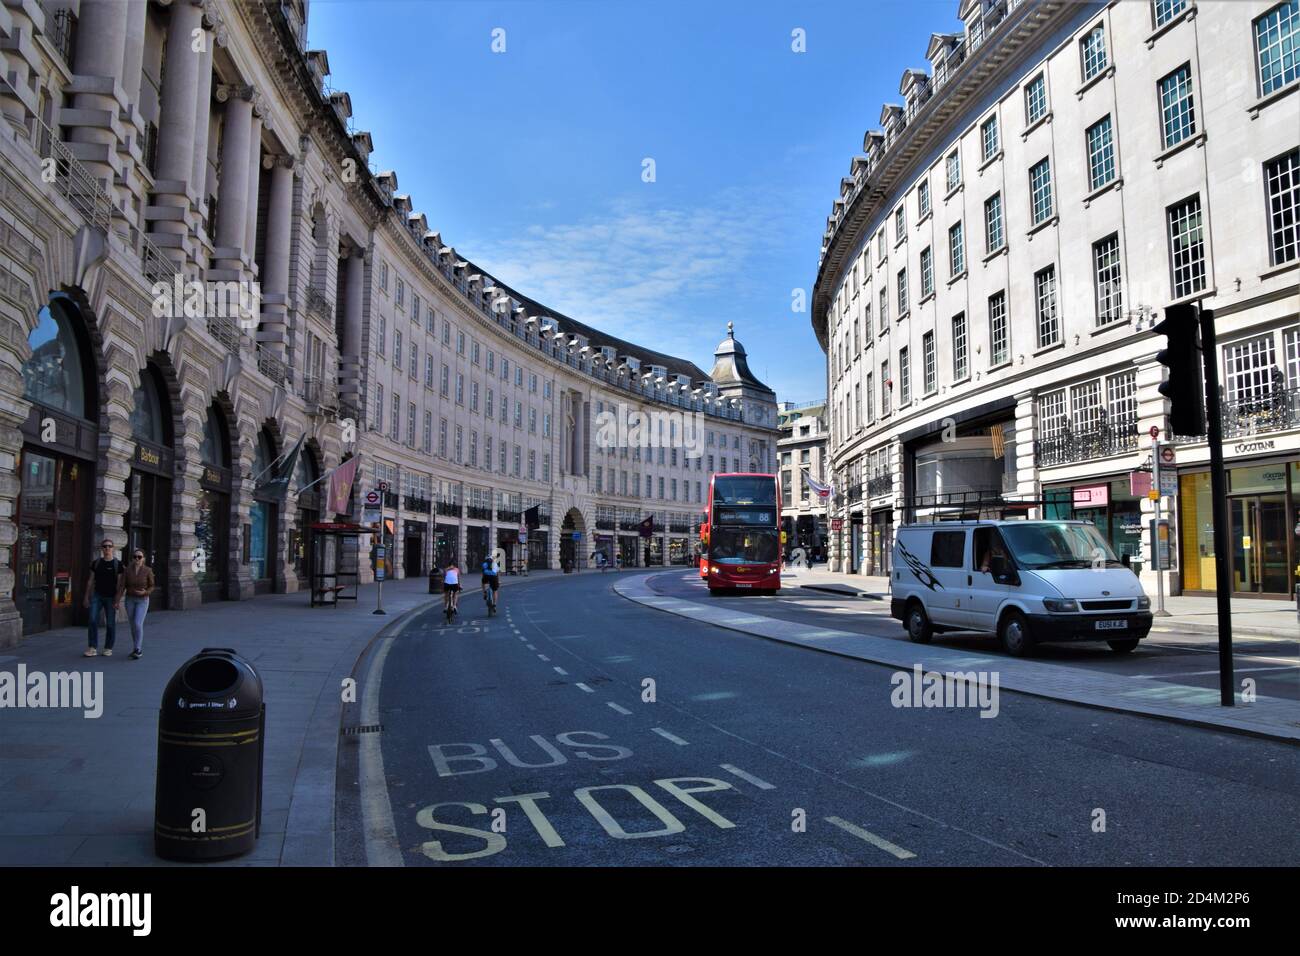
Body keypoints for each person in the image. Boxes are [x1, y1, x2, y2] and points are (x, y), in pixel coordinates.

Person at [83, 539, 125, 657]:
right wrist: (86, 597)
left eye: (109, 546)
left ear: (113, 548)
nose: (107, 549)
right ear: (101, 548)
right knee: (92, 619)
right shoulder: (96, 563)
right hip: (97, 595)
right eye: (105, 546)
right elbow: (90, 580)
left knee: (110, 623)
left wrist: (118, 600)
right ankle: (92, 647)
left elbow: (121, 584)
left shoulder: (118, 564)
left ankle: (108, 647)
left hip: (111, 597)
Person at [123, 548, 155, 660]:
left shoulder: (147, 570)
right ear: (132, 559)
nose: (137, 559)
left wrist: (145, 592)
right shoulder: (127, 570)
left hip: (143, 600)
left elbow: (152, 586)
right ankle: (135, 647)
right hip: (130, 599)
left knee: (137, 623)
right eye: (135, 557)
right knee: (133, 625)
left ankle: (138, 649)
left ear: (143, 559)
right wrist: (117, 601)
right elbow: (122, 586)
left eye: (139, 557)